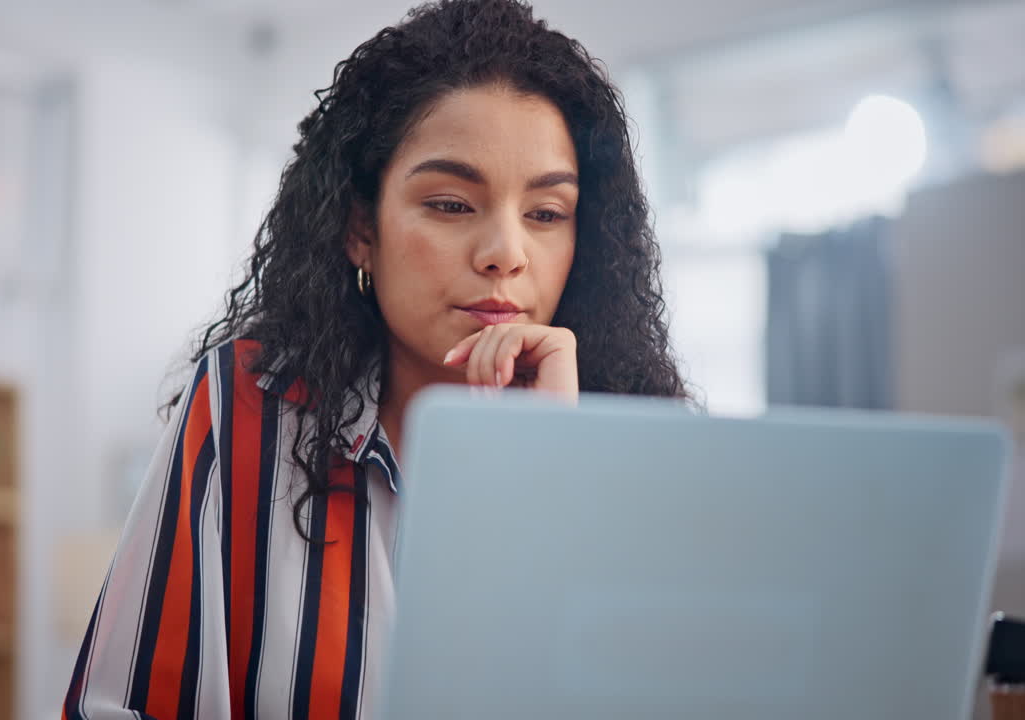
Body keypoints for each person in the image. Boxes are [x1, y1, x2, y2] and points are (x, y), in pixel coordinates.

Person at [61, 0, 685, 717]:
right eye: (452, 204)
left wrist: (556, 468)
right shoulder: (247, 408)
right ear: (362, 229)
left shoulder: (633, 459)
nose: (506, 254)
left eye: (546, 214)